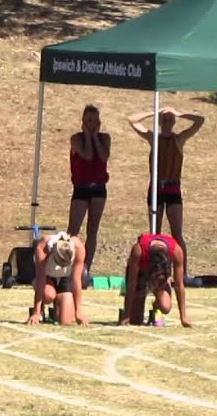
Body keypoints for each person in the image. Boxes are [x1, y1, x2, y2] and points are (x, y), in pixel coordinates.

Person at [127, 106, 204, 269]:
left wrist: (179, 113)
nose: (168, 123)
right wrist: (154, 112)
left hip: (173, 188)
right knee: (155, 233)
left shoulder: (179, 139)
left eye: (170, 120)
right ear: (160, 122)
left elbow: (200, 121)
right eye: (165, 120)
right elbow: (132, 120)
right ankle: (154, 269)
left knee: (177, 233)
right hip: (155, 188)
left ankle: (182, 272)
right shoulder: (153, 138)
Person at [68, 104, 110, 281]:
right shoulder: (76, 139)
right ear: (83, 122)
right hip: (81, 188)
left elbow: (102, 156)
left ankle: (86, 267)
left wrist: (94, 138)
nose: (92, 123)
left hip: (98, 188)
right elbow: (86, 155)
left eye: (94, 120)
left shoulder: (104, 138)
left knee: (93, 229)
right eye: (88, 120)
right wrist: (87, 136)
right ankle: (68, 265)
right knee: (73, 230)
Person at [119, 233, 192, 328]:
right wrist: (127, 315)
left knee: (165, 307)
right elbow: (132, 283)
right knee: (135, 321)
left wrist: (183, 317)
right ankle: (129, 310)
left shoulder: (176, 251)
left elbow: (179, 285)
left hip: (161, 277)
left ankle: (156, 306)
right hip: (141, 275)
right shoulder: (138, 250)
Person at [26, 232, 88, 326]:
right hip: (47, 276)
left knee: (66, 321)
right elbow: (40, 280)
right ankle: (42, 308)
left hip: (65, 277)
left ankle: (56, 309)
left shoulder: (79, 248)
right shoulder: (43, 248)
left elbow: (76, 281)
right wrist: (36, 312)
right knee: (48, 295)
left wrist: (78, 310)